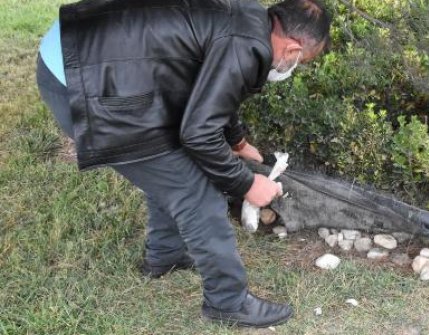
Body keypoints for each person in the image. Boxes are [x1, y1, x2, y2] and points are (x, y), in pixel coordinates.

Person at [36, 0, 331, 328]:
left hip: (80, 47)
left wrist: (238, 143)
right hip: (81, 77)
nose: (293, 66)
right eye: (300, 61)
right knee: (198, 193)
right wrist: (247, 184)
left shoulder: (249, 19)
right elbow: (198, 134)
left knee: (169, 164)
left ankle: (166, 254)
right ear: (292, 47)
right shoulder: (246, 45)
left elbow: (213, 86)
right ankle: (227, 302)